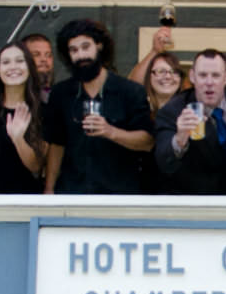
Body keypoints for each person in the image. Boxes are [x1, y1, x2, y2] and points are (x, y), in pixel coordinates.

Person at [42, 18, 154, 195]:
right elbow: (57, 145)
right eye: (74, 50)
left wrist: (111, 131)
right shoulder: (60, 93)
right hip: (72, 194)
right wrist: (49, 189)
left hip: (118, 196)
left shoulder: (130, 91)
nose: (81, 56)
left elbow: (147, 142)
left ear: (99, 46)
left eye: (86, 47)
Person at [154, 49, 226, 195]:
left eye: (216, 75)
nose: (209, 82)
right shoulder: (173, 111)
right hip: (193, 198)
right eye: (202, 75)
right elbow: (163, 161)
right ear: (192, 77)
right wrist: (180, 139)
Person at [0, 40, 47, 195]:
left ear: (29, 67)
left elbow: (37, 165)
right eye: (6, 62)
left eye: (20, 61)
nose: (13, 67)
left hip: (22, 201)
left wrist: (18, 138)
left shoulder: (42, 110)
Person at [142, 52, 185, 117]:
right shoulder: (139, 111)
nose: (168, 76)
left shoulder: (189, 112)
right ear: (149, 77)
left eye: (174, 71)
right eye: (161, 71)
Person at [22, 33, 56, 99]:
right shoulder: (13, 99)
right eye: (36, 54)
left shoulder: (62, 96)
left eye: (48, 55)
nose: (44, 59)